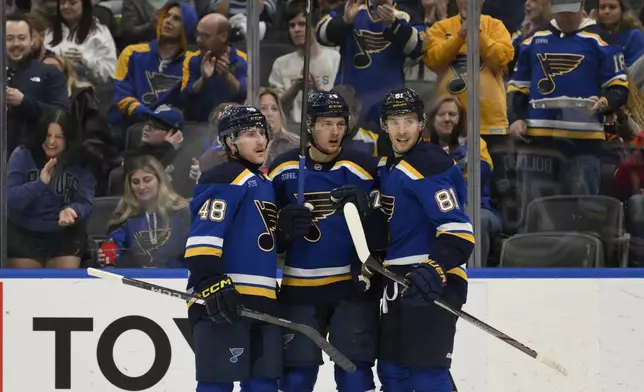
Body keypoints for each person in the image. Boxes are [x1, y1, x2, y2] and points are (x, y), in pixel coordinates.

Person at [268, 91, 384, 392]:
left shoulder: (365, 168)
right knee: (296, 377)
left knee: (354, 374)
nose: (335, 132)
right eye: (326, 124)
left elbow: (387, 230)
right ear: (310, 125)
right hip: (299, 290)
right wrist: (282, 226)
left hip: (353, 288)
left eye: (340, 124)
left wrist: (369, 212)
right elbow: (266, 237)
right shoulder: (282, 169)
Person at [376, 88, 473, 392]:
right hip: (397, 279)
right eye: (394, 122)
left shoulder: (428, 163)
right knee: (393, 373)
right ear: (384, 125)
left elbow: (459, 232)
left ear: (422, 124)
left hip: (433, 279)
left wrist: (435, 269)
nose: (402, 130)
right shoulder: (389, 166)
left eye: (409, 121)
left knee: (426, 375)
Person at [183, 105, 282, 391]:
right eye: (250, 134)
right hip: (223, 301)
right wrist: (211, 281)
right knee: (217, 386)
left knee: (263, 385)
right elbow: (202, 242)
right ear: (230, 142)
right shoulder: (225, 176)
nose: (261, 140)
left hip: (263, 302)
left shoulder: (264, 183)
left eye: (263, 132)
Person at [508, 0, 629, 196]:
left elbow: (619, 88)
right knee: (533, 210)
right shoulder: (532, 40)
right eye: (560, 10)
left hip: (584, 141)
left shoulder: (603, 40)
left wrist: (603, 103)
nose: (565, 16)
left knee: (580, 211)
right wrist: (516, 119)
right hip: (538, 141)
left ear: (582, 6)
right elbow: (517, 87)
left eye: (570, 11)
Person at [6, 110, 96, 268]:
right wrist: (39, 183)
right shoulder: (22, 155)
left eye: (58, 136)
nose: (51, 141)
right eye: (47, 135)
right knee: (29, 287)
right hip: (24, 232)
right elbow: (9, 200)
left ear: (69, 139)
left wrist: (72, 210)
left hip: (65, 234)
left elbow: (85, 202)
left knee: (63, 286)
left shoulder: (82, 160)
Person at [316, 0, 425, 128]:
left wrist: (395, 24)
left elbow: (420, 48)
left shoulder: (406, 14)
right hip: (350, 99)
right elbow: (321, 35)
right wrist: (345, 20)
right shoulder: (351, 6)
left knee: (386, 144)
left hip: (389, 102)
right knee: (343, 144)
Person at [427, 95, 501, 265]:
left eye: (453, 114)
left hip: (475, 207)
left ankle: (474, 276)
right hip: (434, 207)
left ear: (460, 119)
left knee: (478, 221)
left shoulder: (475, 143)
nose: (447, 119)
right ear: (432, 118)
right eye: (442, 114)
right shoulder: (422, 145)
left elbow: (481, 173)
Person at [425, 0, 513, 138]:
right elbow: (433, 61)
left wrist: (478, 33)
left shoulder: (496, 26)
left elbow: (503, 58)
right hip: (448, 122)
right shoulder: (440, 27)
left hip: (490, 124)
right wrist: (459, 36)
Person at [109, 1, 198, 128]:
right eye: (166, 16)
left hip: (171, 128)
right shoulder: (132, 53)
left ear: (186, 27)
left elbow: (188, 103)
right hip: (129, 125)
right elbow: (121, 95)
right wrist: (150, 116)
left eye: (176, 19)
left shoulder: (192, 62)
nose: (168, 21)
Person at [99, 155, 190, 268]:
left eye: (147, 180)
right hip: (137, 280)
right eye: (136, 182)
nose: (141, 187)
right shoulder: (125, 217)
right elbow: (113, 245)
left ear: (160, 181)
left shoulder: (182, 212)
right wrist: (107, 254)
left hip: (179, 278)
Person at [6, 13, 69, 156]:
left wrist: (23, 102)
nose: (16, 43)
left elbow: (62, 115)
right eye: (9, 38)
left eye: (22, 38)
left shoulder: (49, 73)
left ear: (31, 41)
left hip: (33, 158)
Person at [269, 1, 340, 123]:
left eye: (302, 24)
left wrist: (317, 88)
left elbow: (342, 101)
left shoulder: (335, 58)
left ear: (314, 26)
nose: (296, 30)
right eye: (292, 25)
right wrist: (295, 87)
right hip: (292, 129)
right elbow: (274, 107)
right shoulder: (280, 63)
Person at [179, 13, 247, 122]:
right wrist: (203, 79)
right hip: (196, 126)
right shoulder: (192, 59)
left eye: (205, 36)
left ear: (223, 36)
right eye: (198, 34)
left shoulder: (242, 60)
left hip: (233, 125)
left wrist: (227, 76)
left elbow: (245, 94)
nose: (199, 40)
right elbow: (183, 98)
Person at [44, 0, 117, 84]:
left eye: (73, 3)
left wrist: (85, 61)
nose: (65, 7)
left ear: (84, 5)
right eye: (62, 3)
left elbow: (111, 74)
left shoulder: (100, 33)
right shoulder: (50, 31)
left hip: (88, 90)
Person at [259, 87, 300, 167]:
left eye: (274, 109)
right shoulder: (247, 147)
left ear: (280, 114)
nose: (269, 113)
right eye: (263, 108)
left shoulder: (296, 145)